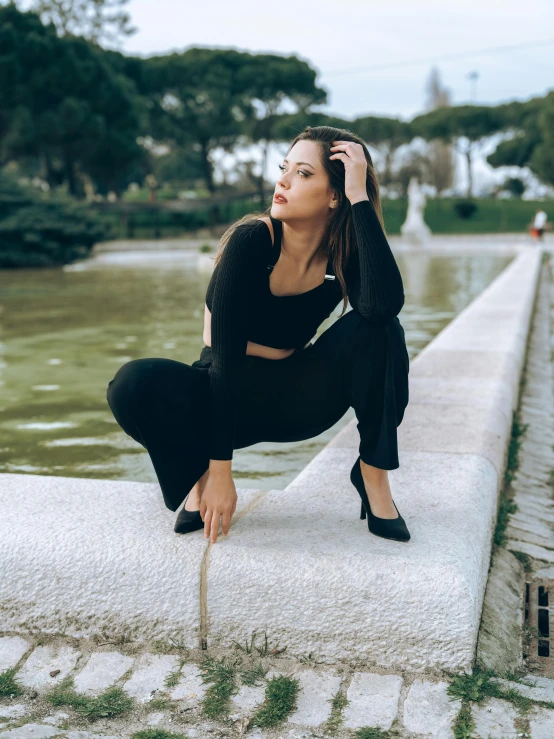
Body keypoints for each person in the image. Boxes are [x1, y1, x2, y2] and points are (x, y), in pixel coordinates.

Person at [106, 126, 411, 545]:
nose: (282, 181)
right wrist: (220, 473)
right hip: (222, 392)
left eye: (303, 174)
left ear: (334, 195)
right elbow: (226, 359)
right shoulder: (252, 242)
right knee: (132, 384)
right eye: (284, 168)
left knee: (380, 330)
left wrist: (360, 197)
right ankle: (195, 478)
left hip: (296, 399)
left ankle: (373, 475)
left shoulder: (342, 257)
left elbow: (383, 307)